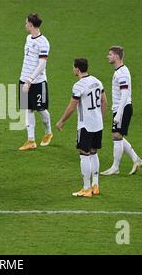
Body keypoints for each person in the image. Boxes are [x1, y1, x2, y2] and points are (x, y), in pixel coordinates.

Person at [56, 58, 107, 197]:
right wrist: (100, 118)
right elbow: (104, 101)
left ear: (77, 69)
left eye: (73, 67)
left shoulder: (78, 86)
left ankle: (86, 188)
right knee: (94, 152)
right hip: (98, 124)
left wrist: (61, 121)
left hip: (86, 125)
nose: (73, 69)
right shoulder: (97, 81)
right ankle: (95, 185)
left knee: (84, 154)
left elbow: (72, 107)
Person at [101, 46, 142, 176]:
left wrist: (119, 113)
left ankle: (115, 167)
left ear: (117, 56)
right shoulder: (119, 71)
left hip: (123, 108)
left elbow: (125, 93)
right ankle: (136, 160)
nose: (108, 56)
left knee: (117, 136)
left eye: (110, 54)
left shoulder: (122, 73)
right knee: (117, 135)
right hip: (121, 107)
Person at [19, 13, 53, 150]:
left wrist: (30, 80)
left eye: (26, 22)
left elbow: (42, 64)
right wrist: (25, 79)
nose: (25, 25)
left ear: (31, 25)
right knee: (27, 109)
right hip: (23, 78)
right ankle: (31, 140)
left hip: (37, 82)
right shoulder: (28, 38)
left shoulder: (43, 42)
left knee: (40, 109)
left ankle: (48, 132)